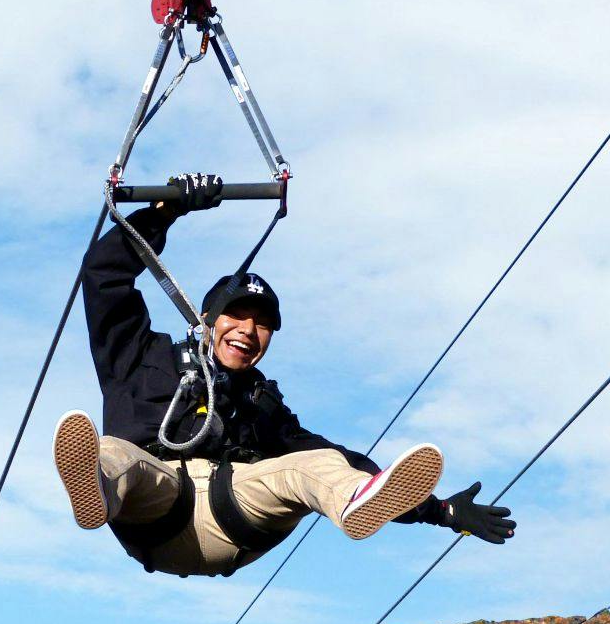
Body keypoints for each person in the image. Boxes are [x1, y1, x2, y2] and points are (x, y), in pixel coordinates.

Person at [53, 176, 515, 576]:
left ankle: (351, 503)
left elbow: (337, 455)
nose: (248, 331)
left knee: (315, 466)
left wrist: (443, 511)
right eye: (237, 315)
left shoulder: (261, 405)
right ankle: (96, 487)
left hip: (227, 520)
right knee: (113, 454)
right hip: (155, 511)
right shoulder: (140, 355)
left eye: (263, 324)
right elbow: (104, 278)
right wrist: (164, 211)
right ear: (208, 319)